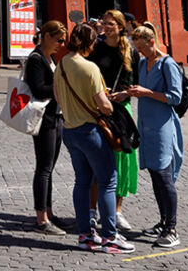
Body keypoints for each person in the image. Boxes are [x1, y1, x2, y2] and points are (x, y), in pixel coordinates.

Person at [54, 22, 132, 254]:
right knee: (108, 181)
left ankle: (85, 235)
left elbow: (57, 96)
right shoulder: (90, 68)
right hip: (91, 131)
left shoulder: (62, 65)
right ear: (89, 43)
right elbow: (104, 106)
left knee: (82, 182)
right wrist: (109, 104)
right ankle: (110, 236)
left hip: (70, 130)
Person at [121, 25, 184, 249]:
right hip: (146, 125)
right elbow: (140, 88)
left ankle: (172, 229)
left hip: (163, 126)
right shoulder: (141, 62)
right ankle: (163, 221)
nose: (139, 51)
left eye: (141, 47)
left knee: (164, 176)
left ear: (151, 42)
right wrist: (125, 93)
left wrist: (147, 93)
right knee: (155, 176)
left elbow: (175, 97)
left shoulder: (168, 64)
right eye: (136, 47)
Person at [90, 10, 137, 233]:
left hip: (121, 111)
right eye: (104, 23)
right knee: (97, 161)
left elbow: (135, 81)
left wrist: (124, 94)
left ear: (120, 26)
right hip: (98, 108)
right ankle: (93, 211)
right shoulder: (96, 49)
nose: (106, 27)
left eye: (110, 24)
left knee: (122, 162)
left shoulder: (130, 51)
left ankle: (117, 211)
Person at [24, 21, 68, 233]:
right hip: (44, 120)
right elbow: (39, 89)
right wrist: (61, 86)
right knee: (43, 168)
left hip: (56, 118)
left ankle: (49, 212)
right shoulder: (35, 59)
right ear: (47, 36)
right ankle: (41, 219)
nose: (62, 44)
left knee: (49, 168)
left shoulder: (51, 58)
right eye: (59, 40)